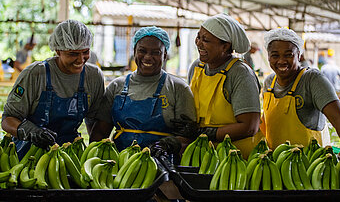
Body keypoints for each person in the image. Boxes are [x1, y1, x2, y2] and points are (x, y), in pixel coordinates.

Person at [260, 28, 340, 169]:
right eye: (275, 55)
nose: (281, 61)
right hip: (276, 165)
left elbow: (338, 118)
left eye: (288, 55)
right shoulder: (269, 83)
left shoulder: (312, 80)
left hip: (311, 167)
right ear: (268, 56)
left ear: (299, 55)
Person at [1, 20, 105, 159]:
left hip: (68, 156)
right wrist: (31, 132)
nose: (81, 59)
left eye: (85, 52)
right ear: (58, 50)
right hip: (28, 154)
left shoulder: (93, 76)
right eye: (73, 54)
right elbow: (8, 119)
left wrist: (93, 155)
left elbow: (94, 120)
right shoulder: (35, 74)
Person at [89, 26, 197, 158]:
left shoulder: (178, 88)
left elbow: (188, 136)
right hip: (119, 163)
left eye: (156, 52)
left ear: (165, 55)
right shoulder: (116, 86)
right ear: (134, 51)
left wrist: (170, 144)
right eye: (142, 51)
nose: (148, 57)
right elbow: (100, 132)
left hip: (164, 166)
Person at [184, 13, 262, 160]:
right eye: (198, 37)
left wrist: (206, 132)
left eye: (206, 40)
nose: (199, 43)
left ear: (225, 46)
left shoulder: (240, 73)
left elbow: (250, 126)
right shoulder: (197, 67)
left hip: (236, 159)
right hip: (204, 155)